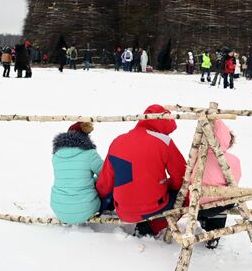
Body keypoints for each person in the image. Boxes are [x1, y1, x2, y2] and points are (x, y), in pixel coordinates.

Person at [96, 104, 186, 237]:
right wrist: (167, 185)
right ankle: (152, 226)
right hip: (154, 208)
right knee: (186, 195)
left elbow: (105, 183)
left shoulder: (117, 141)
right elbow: (182, 176)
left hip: (122, 210)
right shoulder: (164, 141)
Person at [190, 119, 241, 249]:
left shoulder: (197, 156)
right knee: (228, 198)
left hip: (196, 202)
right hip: (217, 204)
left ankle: (203, 220)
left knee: (207, 200)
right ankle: (214, 234)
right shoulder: (232, 160)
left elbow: (190, 177)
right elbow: (235, 182)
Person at [50, 121, 105, 224]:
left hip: (59, 208)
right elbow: (106, 174)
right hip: (86, 208)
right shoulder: (90, 154)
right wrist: (93, 181)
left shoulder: (56, 155)